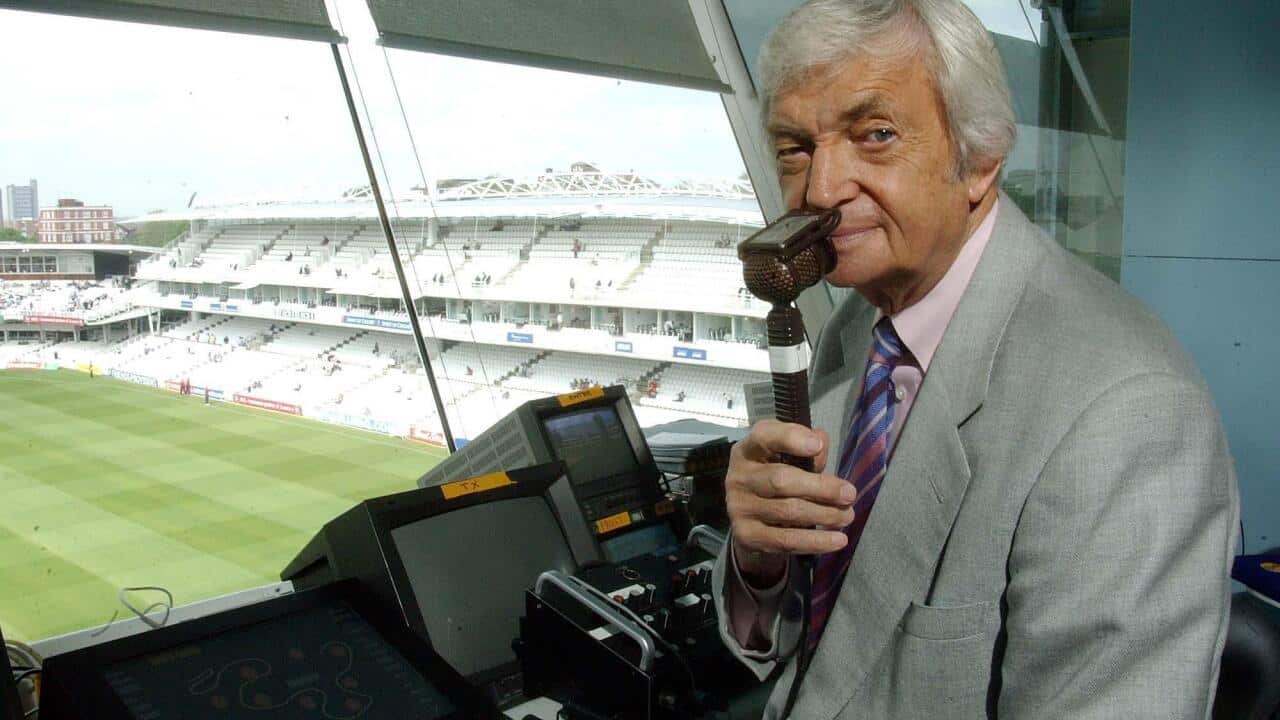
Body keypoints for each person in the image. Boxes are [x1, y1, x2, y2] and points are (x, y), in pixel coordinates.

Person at [712, 2, 1238, 719]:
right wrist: (762, 561)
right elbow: (820, 649)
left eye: (876, 136)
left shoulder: (1129, 414)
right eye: (795, 148)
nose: (822, 189)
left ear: (980, 160)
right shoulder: (859, 322)